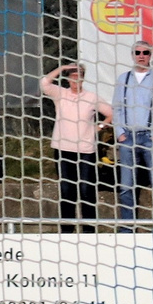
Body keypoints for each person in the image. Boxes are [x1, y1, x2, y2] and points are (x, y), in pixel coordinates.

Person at [41, 63, 112, 232]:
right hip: (63, 149)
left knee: (86, 190)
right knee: (67, 191)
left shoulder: (91, 97)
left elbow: (111, 113)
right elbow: (44, 83)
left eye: (78, 75)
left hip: (86, 151)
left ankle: (89, 231)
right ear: (67, 78)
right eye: (72, 75)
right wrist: (63, 68)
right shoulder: (60, 94)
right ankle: (67, 231)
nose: (75, 78)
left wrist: (99, 128)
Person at [113, 43, 153, 225]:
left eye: (145, 53)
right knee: (125, 186)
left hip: (150, 138)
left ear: (150, 55)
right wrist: (119, 133)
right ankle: (127, 228)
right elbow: (117, 108)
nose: (141, 56)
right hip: (127, 138)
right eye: (137, 52)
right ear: (132, 55)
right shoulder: (123, 79)